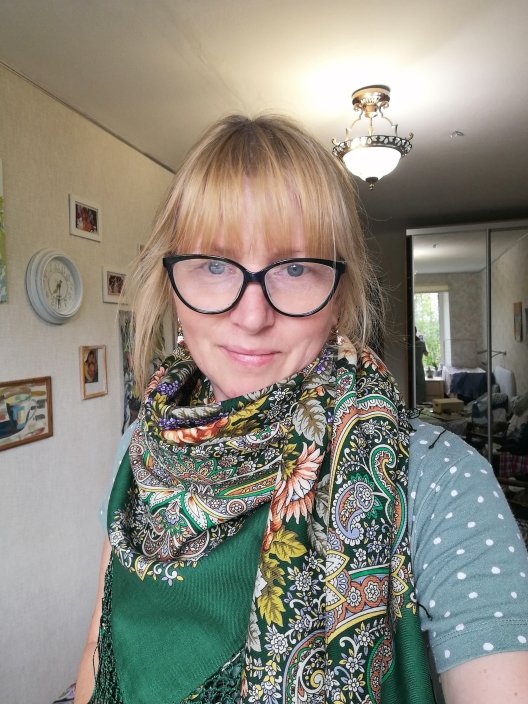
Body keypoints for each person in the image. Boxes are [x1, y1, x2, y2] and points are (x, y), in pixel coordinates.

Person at [75, 115, 528, 704]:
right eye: (215, 264)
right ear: (170, 282)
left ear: (339, 293)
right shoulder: (144, 445)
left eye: (295, 268)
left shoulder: (437, 478)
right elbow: (99, 644)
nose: (252, 315)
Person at [414, 328, 428, 404]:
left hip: (411, 366)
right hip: (418, 366)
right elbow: (426, 354)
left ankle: (416, 401)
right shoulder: (421, 343)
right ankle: (419, 401)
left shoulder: (407, 342)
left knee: (417, 384)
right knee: (420, 384)